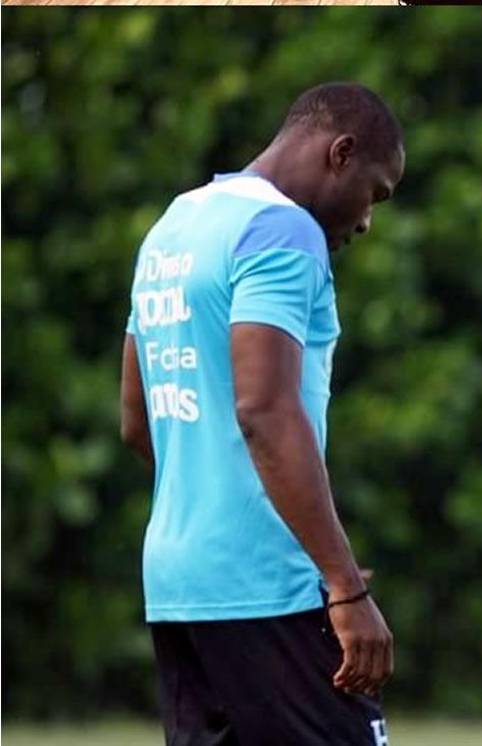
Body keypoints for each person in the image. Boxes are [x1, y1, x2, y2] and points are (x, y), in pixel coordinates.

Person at [119, 82, 405, 746]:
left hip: (177, 581)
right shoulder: (282, 229)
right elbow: (265, 409)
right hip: (265, 585)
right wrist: (342, 584)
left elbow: (138, 420)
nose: (367, 221)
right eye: (377, 192)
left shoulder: (175, 226)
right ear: (341, 152)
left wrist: (222, 511)